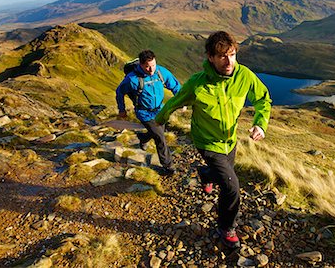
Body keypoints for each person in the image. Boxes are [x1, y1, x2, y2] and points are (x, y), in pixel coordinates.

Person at [156, 31, 271, 248]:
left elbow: (263, 99)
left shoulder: (244, 75)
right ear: (210, 57)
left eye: (232, 55)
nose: (229, 61)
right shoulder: (197, 83)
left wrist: (260, 123)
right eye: (222, 56)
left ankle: (205, 174)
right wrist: (158, 121)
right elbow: (175, 102)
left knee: (221, 175)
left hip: (229, 140)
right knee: (231, 187)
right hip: (206, 142)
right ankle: (226, 228)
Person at [116, 49, 181, 175]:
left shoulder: (160, 72)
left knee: (158, 133)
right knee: (160, 137)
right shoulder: (132, 79)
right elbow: (119, 92)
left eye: (153, 65)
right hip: (144, 113)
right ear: (141, 65)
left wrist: (181, 100)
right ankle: (168, 166)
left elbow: (175, 85)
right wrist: (122, 110)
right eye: (147, 67)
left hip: (160, 110)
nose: (151, 70)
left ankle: (143, 138)